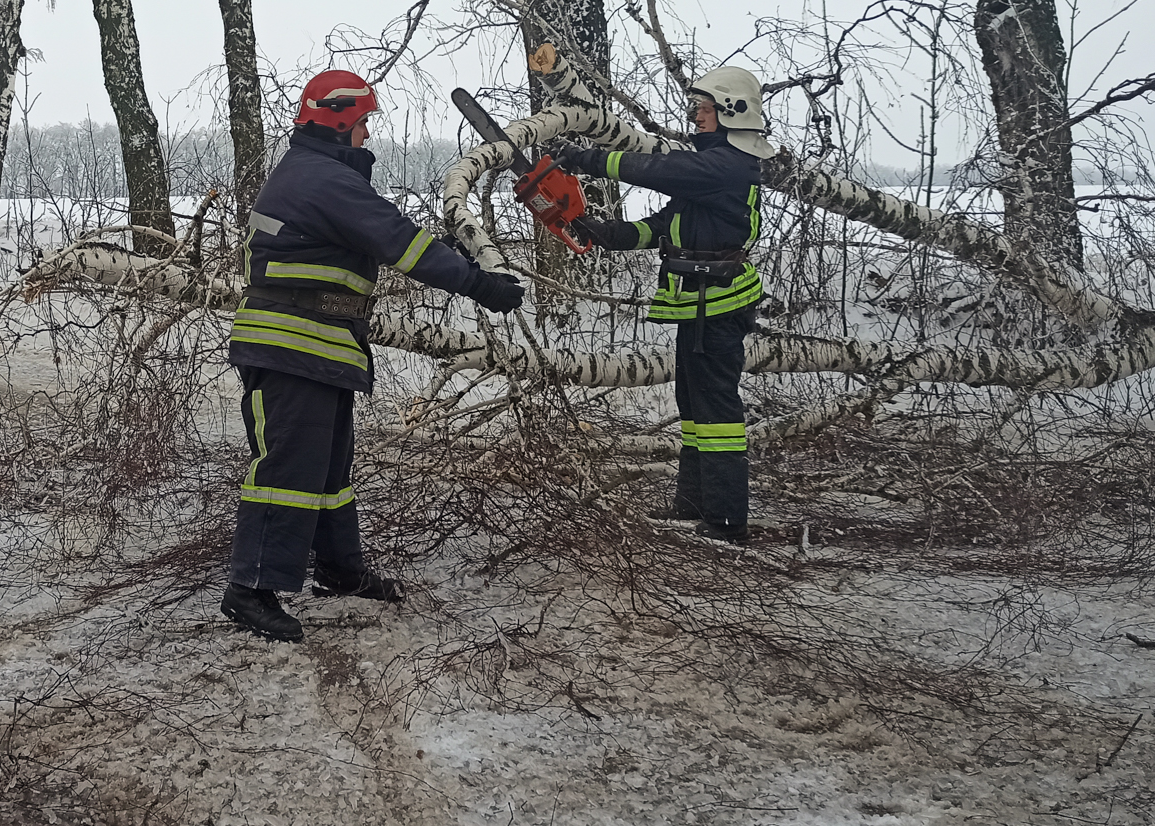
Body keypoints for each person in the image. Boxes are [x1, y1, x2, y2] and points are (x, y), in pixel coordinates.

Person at [222, 70, 526, 641]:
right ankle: (250, 589)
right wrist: (481, 283)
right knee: (287, 469)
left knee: (329, 469)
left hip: (311, 342)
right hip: (294, 343)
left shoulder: (315, 173)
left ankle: (339, 568)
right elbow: (399, 241)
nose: (367, 134)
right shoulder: (325, 180)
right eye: (363, 122)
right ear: (340, 120)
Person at [552, 66, 776, 545]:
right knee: (694, 408)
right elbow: (664, 225)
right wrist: (607, 233)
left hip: (716, 302)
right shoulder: (708, 168)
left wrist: (586, 159)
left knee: (716, 409)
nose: (695, 114)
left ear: (732, 112)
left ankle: (726, 520)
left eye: (705, 107)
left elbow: (656, 170)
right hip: (698, 302)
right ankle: (694, 506)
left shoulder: (725, 166)